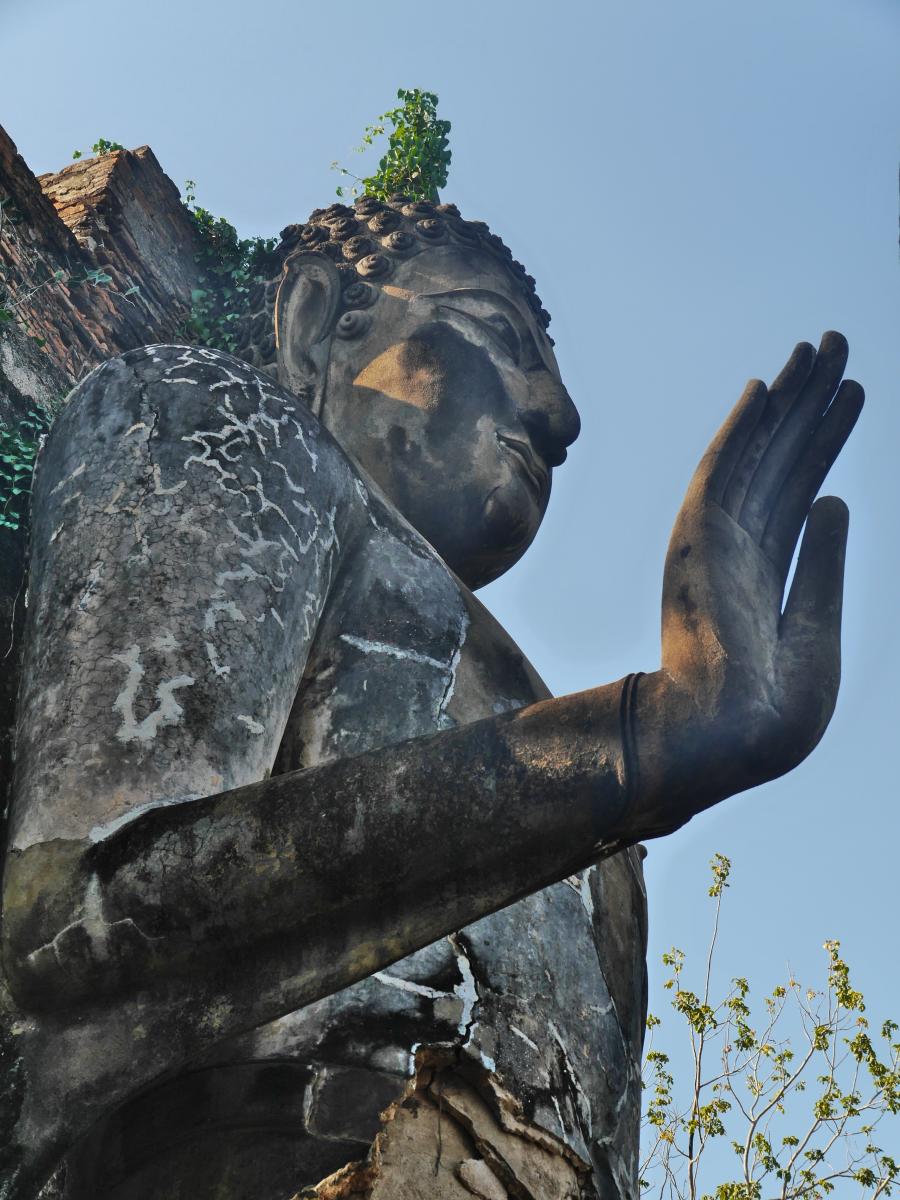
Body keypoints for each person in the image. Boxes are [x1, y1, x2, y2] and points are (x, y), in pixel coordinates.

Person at [0, 197, 863, 1199]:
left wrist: (644, 750)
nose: (559, 414)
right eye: (500, 337)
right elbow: (70, 924)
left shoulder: (612, 804)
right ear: (321, 320)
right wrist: (635, 743)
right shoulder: (228, 428)